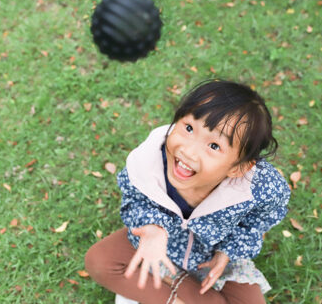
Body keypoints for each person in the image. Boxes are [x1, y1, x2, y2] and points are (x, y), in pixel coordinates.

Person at [85, 80, 290, 304]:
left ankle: (167, 282)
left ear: (237, 168)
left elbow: (260, 218)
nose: (188, 151)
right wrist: (153, 229)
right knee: (100, 260)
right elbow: (135, 199)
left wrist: (227, 252)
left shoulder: (258, 188)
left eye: (214, 146)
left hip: (211, 254)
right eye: (189, 128)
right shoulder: (149, 161)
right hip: (158, 243)